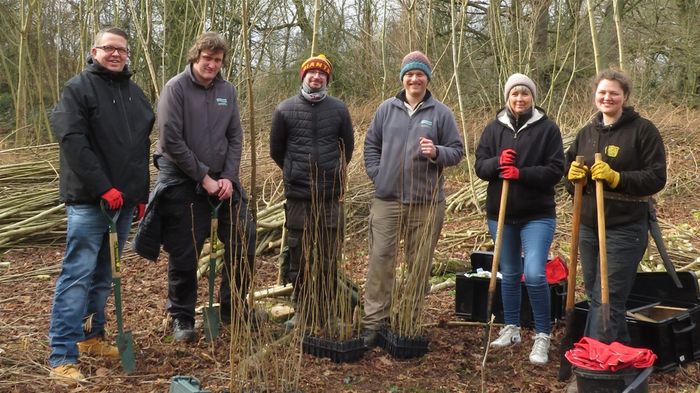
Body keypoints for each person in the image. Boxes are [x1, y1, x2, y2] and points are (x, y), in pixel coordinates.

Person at [47, 27, 154, 382]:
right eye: (108, 48)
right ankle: (62, 354)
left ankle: (91, 336)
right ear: (94, 51)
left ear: (127, 55)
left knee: (105, 275)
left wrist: (140, 195)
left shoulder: (135, 96)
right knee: (77, 275)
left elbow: (140, 151)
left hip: (123, 204)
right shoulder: (77, 89)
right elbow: (73, 141)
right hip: (89, 202)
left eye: (121, 50)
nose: (115, 54)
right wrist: (103, 187)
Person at [150, 32, 256, 342]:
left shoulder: (227, 90)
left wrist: (227, 177)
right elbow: (170, 139)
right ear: (195, 57)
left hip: (223, 182)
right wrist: (204, 177)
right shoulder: (176, 88)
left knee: (244, 236)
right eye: (206, 58)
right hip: (184, 181)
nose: (211, 64)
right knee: (185, 251)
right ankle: (182, 316)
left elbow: (235, 137)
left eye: (217, 59)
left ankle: (232, 307)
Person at [361, 51, 464, 346]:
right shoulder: (385, 109)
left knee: (418, 266)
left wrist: (437, 153)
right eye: (409, 74)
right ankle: (374, 323)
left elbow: (456, 151)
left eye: (420, 74)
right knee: (380, 261)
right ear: (403, 78)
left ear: (427, 78)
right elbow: (371, 144)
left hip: (427, 202)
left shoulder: (441, 113)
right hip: (387, 199)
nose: (414, 79)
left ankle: (408, 320)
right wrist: (378, 175)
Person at [565, 69, 666, 345]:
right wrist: (572, 177)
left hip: (625, 228)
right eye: (602, 92)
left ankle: (595, 362)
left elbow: (656, 177)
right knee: (598, 296)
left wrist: (617, 178)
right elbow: (568, 178)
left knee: (610, 298)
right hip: (587, 226)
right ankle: (614, 358)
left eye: (613, 93)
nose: (607, 97)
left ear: (624, 97)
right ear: (595, 96)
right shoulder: (586, 133)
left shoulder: (642, 131)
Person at [474, 73, 565, 365]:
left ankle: (542, 335)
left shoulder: (547, 129)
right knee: (510, 273)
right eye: (514, 94)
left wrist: (521, 173)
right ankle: (511, 327)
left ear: (533, 98)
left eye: (525, 94)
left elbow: (555, 170)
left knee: (536, 273)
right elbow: (479, 165)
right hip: (500, 215)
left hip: (537, 214)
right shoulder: (493, 129)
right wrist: (497, 164)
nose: (519, 99)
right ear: (507, 97)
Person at [269, 54, 354, 331]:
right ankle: (303, 310)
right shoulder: (284, 110)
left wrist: (333, 174)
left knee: (329, 256)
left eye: (322, 74)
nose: (316, 77)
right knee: (299, 256)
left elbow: (347, 148)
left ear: (327, 79)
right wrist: (294, 171)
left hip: (330, 195)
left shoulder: (339, 109)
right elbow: (276, 151)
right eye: (312, 73)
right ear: (303, 76)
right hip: (298, 196)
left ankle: (327, 312)